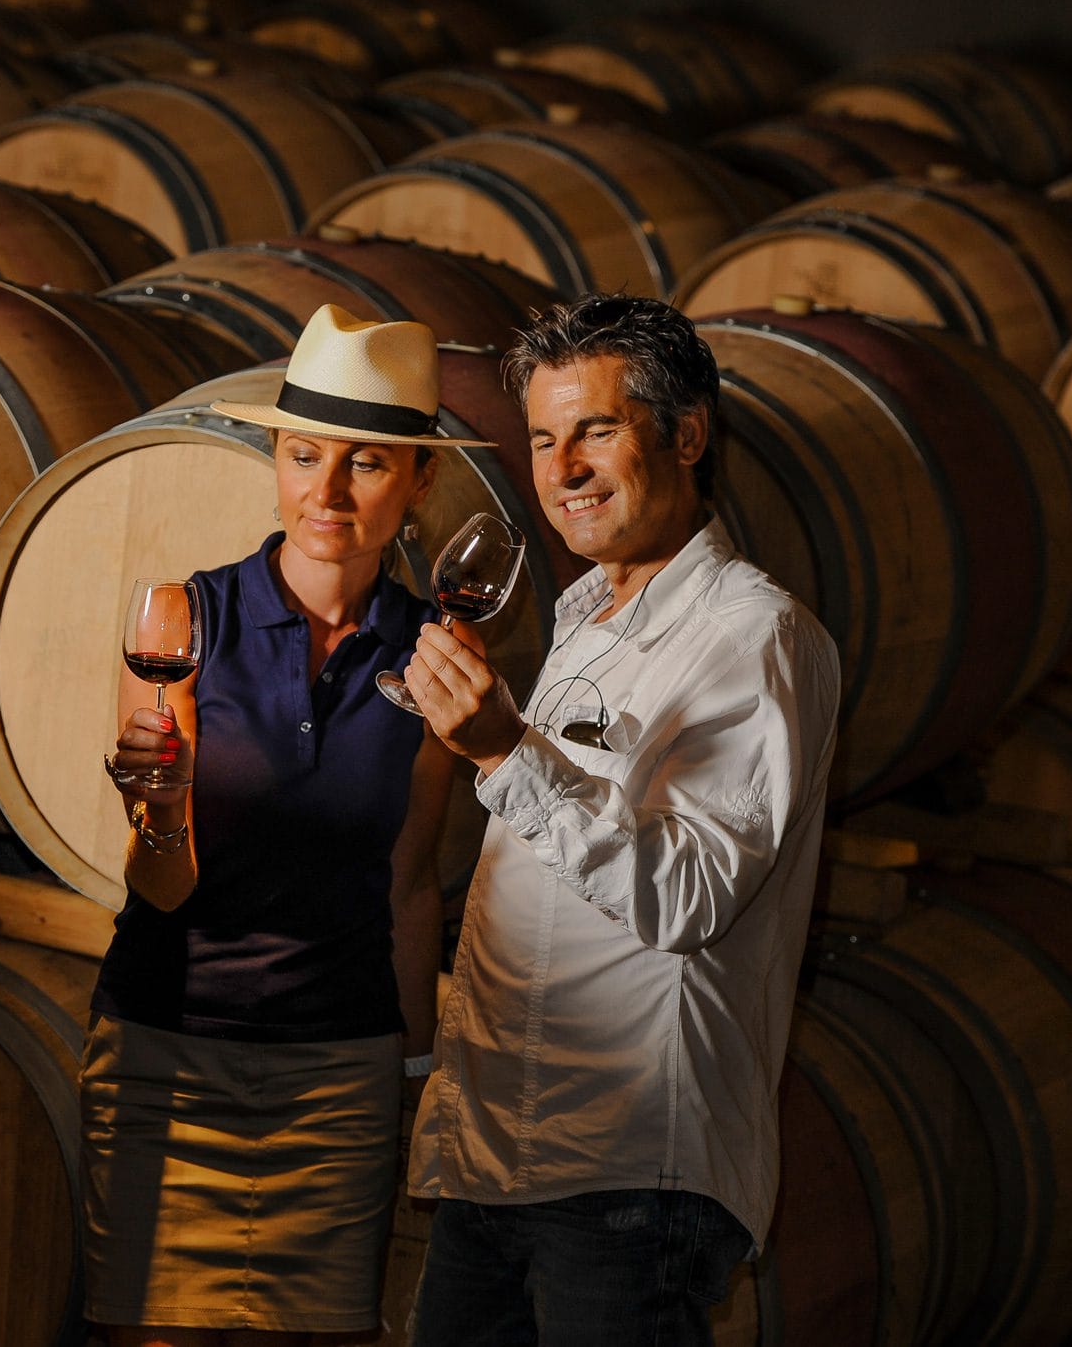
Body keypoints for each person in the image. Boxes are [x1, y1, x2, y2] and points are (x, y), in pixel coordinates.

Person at [397, 293, 842, 1346]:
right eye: (545, 439)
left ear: (685, 434)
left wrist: (507, 750)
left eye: (595, 430)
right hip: (495, 1151)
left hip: (625, 1169)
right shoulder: (583, 613)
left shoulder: (754, 634)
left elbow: (687, 892)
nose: (563, 469)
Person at [85, 304, 493, 1345]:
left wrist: (406, 1080)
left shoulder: (433, 660)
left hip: (337, 1077)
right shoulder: (185, 619)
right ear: (273, 457)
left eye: (365, 462)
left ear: (418, 482)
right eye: (303, 454)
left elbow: (409, 886)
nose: (326, 490)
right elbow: (159, 885)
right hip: (168, 1051)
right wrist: (162, 812)